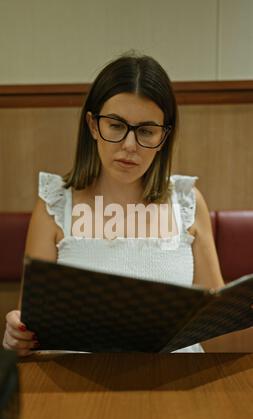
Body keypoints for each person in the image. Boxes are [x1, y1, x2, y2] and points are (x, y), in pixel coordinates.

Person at [2, 53, 224, 356]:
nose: (129, 146)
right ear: (93, 126)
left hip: (174, 381)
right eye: (116, 126)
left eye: (146, 131)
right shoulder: (55, 205)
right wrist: (18, 333)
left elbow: (217, 321)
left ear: (163, 137)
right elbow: (33, 326)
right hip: (82, 386)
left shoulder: (186, 202)